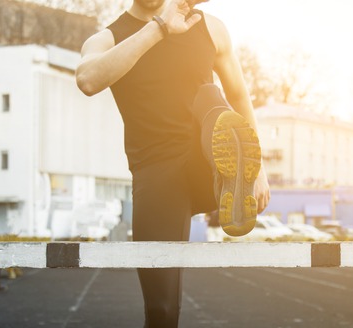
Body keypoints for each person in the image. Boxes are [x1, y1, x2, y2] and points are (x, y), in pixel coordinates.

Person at [76, 0, 270, 326]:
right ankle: (227, 176)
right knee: (161, 310)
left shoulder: (209, 27)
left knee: (210, 94)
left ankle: (234, 175)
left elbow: (238, 94)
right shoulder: (108, 39)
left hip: (205, 162)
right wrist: (159, 29)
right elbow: (87, 80)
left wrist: (259, 167)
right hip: (157, 177)